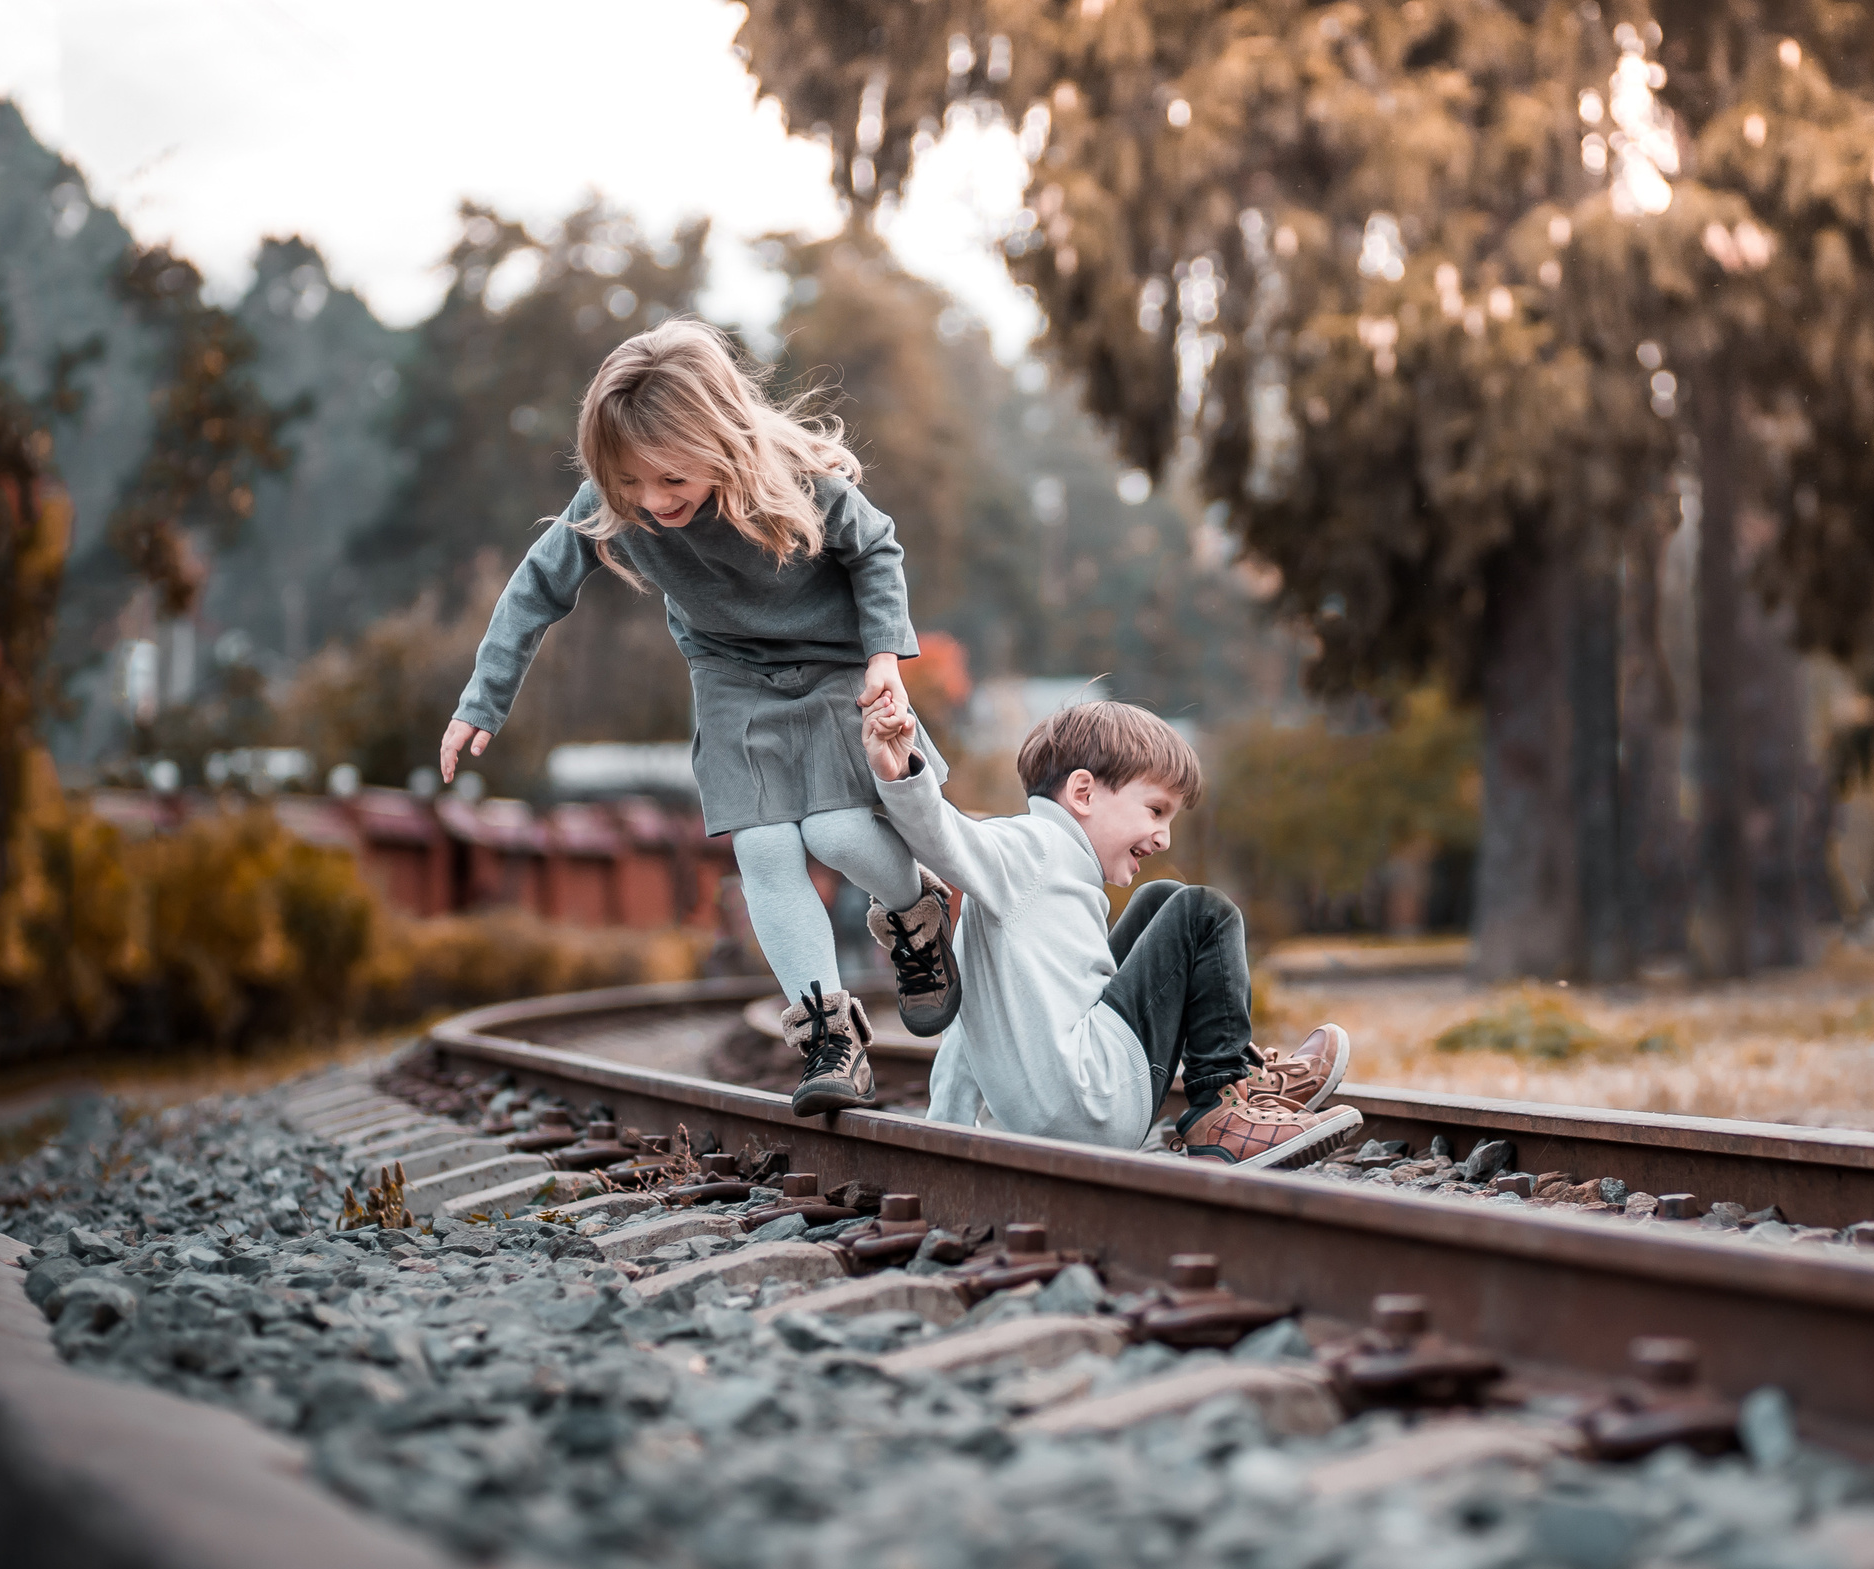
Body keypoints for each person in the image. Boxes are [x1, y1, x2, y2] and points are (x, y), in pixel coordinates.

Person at [436, 319, 959, 1116]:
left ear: (720, 444)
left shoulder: (790, 482)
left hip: (834, 667)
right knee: (764, 849)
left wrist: (887, 658)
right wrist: (483, 698)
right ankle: (830, 1037)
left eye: (672, 481)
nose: (652, 503)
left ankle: (915, 912)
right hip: (731, 675)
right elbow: (535, 589)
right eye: (631, 485)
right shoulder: (615, 504)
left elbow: (876, 548)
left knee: (839, 834)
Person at [860, 695, 1364, 1166]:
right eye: (1155, 810)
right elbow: (940, 835)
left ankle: (1241, 1084)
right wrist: (901, 770)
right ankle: (1223, 1105)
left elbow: (968, 1029)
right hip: (1093, 1102)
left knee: (1158, 900)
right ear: (1083, 793)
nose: (1164, 837)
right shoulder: (1028, 849)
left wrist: (945, 1129)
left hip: (1050, 1117)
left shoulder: (1009, 896)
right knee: (1203, 912)